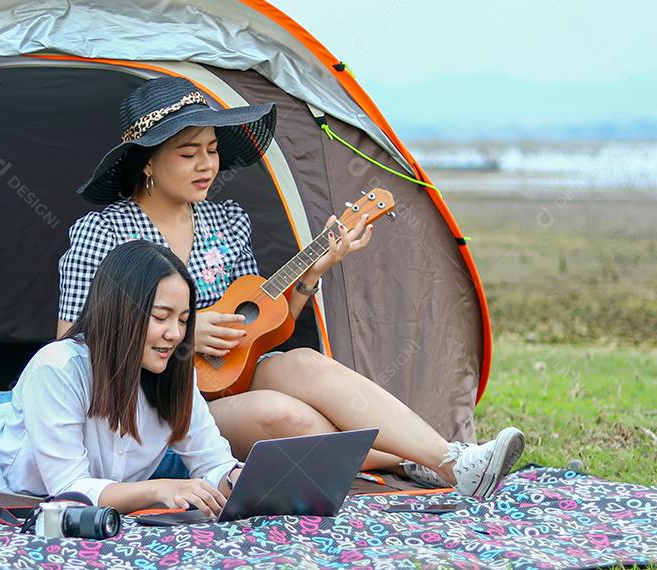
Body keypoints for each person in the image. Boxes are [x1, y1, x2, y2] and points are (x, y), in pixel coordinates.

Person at [56, 76, 524, 499]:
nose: (206, 164)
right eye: (187, 152)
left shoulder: (227, 221)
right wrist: (182, 332)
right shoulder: (103, 232)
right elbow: (67, 345)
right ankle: (411, 458)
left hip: (229, 381)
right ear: (148, 164)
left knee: (301, 361)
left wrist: (315, 271)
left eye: (213, 149)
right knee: (284, 414)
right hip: (159, 403)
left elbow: (261, 325)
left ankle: (454, 461)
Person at [0, 241, 241, 516]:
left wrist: (235, 477)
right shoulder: (57, 367)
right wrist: (156, 489)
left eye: (183, 319)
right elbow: (70, 492)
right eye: (160, 317)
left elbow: (213, 462)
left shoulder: (176, 372)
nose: (176, 334)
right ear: (121, 311)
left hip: (52, 414)